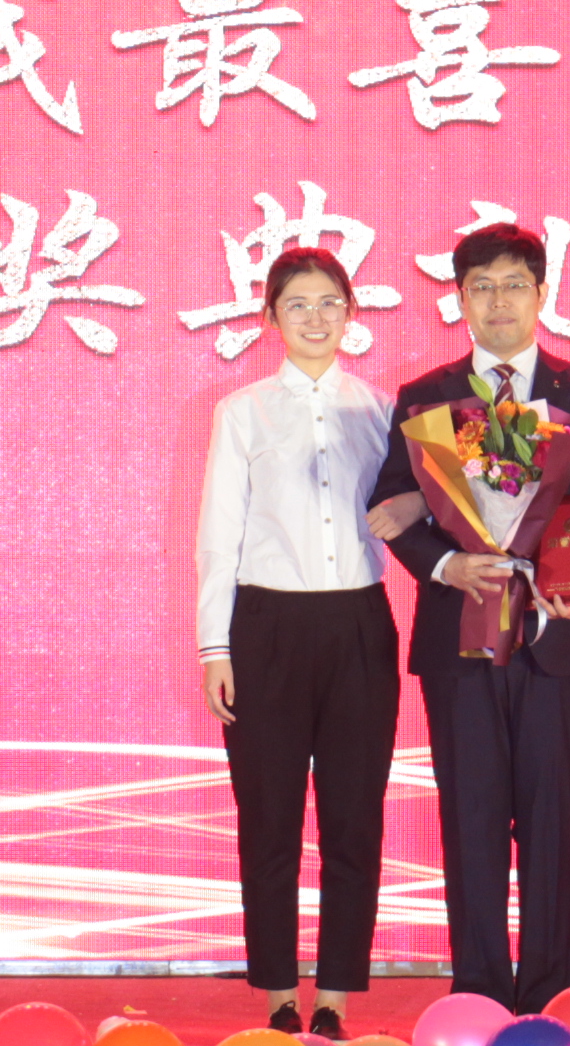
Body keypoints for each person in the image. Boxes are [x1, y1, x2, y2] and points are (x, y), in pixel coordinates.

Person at [367, 220, 570, 1015]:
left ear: (542, 293)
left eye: (514, 285)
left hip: (559, 640)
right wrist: (445, 565)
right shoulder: (424, 396)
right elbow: (391, 507)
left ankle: (556, 997)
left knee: (553, 820)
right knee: (472, 819)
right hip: (460, 635)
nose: (498, 302)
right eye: (481, 288)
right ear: (460, 299)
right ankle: (480, 997)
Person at [197, 246, 400, 1039]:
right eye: (297, 304)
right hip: (266, 630)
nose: (315, 318)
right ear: (270, 317)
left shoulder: (382, 412)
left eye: (329, 303)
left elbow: (417, 513)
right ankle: (279, 994)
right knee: (270, 821)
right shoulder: (243, 412)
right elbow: (219, 537)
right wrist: (215, 647)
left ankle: (336, 996)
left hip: (360, 627)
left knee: (355, 820)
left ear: (351, 313)